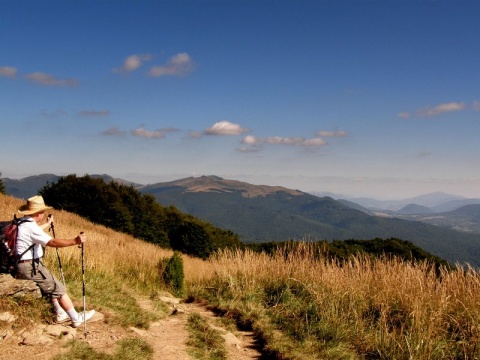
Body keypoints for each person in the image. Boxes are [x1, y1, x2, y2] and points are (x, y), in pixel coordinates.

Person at [15, 195, 95, 328]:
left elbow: (35, 232)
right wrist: (74, 241)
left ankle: (60, 312)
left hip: (20, 264)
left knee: (49, 283)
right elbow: (51, 242)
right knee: (59, 289)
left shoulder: (22, 222)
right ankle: (76, 318)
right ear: (39, 213)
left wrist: (47, 224)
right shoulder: (31, 227)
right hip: (29, 265)